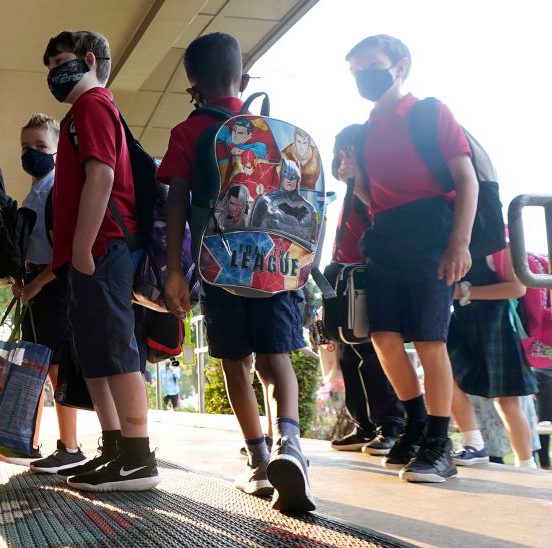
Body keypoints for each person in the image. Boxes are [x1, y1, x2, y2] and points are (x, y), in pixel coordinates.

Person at [160, 31, 314, 513]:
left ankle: (257, 462)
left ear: (192, 85)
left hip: (221, 264)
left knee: (235, 363)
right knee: (276, 361)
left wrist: (174, 271)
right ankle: (290, 443)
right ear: (243, 79)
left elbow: (176, 204)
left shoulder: (188, 132)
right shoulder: (275, 131)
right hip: (275, 263)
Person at [347, 34, 477, 483]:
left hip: (430, 232)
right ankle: (416, 425)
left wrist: (459, 244)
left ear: (399, 66)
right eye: (357, 71)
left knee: (428, 339)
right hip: (385, 236)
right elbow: (373, 200)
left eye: (372, 67)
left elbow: (467, 179)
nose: (364, 77)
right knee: (383, 337)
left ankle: (441, 442)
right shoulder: (364, 131)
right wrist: (356, 181)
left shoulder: (430, 113)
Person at [40, 30, 159, 492]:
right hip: (90, 252)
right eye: (48, 66)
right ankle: (115, 448)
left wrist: (84, 246)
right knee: (96, 353)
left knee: (116, 350)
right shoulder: (80, 112)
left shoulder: (93, 106)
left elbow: (102, 175)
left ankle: (137, 455)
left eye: (61, 61)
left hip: (102, 247)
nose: (53, 73)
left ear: (89, 60)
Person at [12, 113, 87, 475]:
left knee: (57, 368)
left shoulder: (59, 187)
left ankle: (70, 447)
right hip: (35, 284)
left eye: (41, 146)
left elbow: (65, 250)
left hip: (53, 286)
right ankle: (29, 440)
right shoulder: (36, 189)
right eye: (26, 147)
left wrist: (36, 284)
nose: (31, 153)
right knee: (42, 366)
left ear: (58, 150)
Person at [327, 124, 406, 455]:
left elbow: (384, 222)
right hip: (346, 279)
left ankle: (392, 425)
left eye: (346, 153)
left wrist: (358, 183)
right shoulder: (349, 192)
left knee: (372, 355)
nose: (340, 161)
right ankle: (364, 424)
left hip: (367, 278)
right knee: (350, 353)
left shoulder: (374, 188)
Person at [448, 247, 538, 468]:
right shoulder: (444, 242)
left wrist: (464, 291)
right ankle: (473, 443)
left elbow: (517, 288)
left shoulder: (501, 245)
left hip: (497, 327)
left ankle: (526, 465)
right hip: (460, 326)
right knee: (446, 381)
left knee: (507, 401)